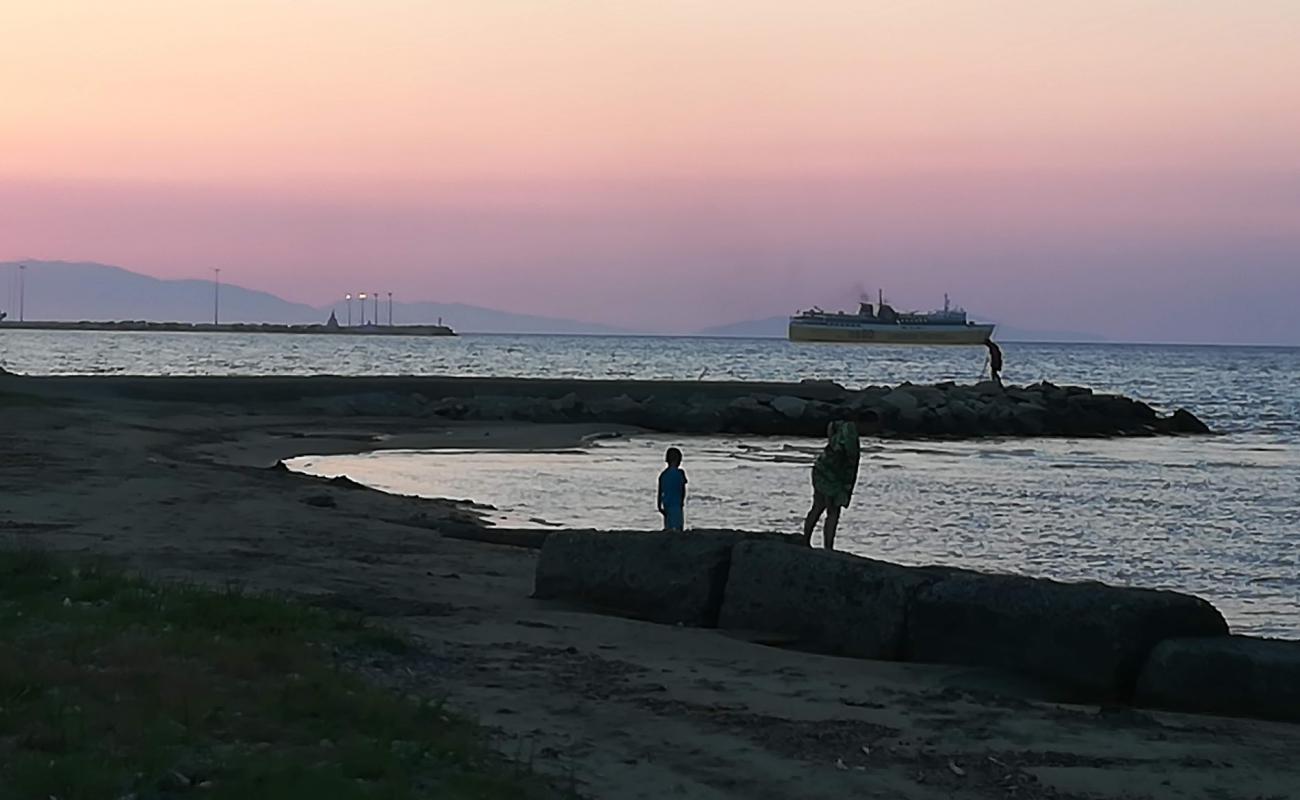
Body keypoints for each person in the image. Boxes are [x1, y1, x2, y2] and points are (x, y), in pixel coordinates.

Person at [803, 420, 860, 550]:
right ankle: (828, 547)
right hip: (831, 475)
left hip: (821, 469)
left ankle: (806, 540)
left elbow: (831, 426)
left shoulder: (841, 426)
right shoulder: (850, 433)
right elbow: (850, 457)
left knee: (818, 507)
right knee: (833, 511)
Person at [657, 446, 688, 531]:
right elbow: (683, 489)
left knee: (669, 524)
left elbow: (660, 492)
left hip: (667, 503)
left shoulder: (663, 475)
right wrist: (682, 501)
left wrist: (659, 505)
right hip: (676, 503)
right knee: (678, 524)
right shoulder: (680, 473)